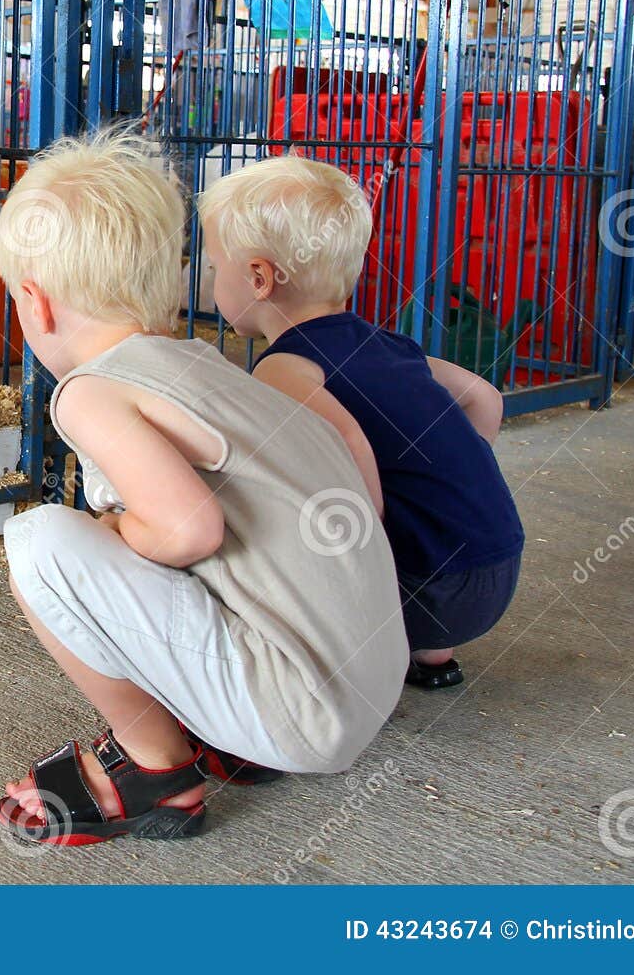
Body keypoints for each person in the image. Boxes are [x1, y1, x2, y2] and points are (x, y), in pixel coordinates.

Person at [0, 130, 406, 847]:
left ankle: (155, 770)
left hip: (303, 714)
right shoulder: (204, 365)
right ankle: (221, 735)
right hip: (368, 685)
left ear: (37, 303)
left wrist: (118, 533)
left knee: (39, 542)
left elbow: (190, 531)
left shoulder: (89, 392)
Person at [198, 155, 523, 691]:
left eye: (214, 269)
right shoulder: (391, 345)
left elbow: (349, 445)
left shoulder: (283, 365)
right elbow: (486, 401)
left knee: (274, 535)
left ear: (258, 278)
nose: (213, 286)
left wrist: (358, 550)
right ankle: (435, 660)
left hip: (418, 595)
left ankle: (357, 664)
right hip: (497, 569)